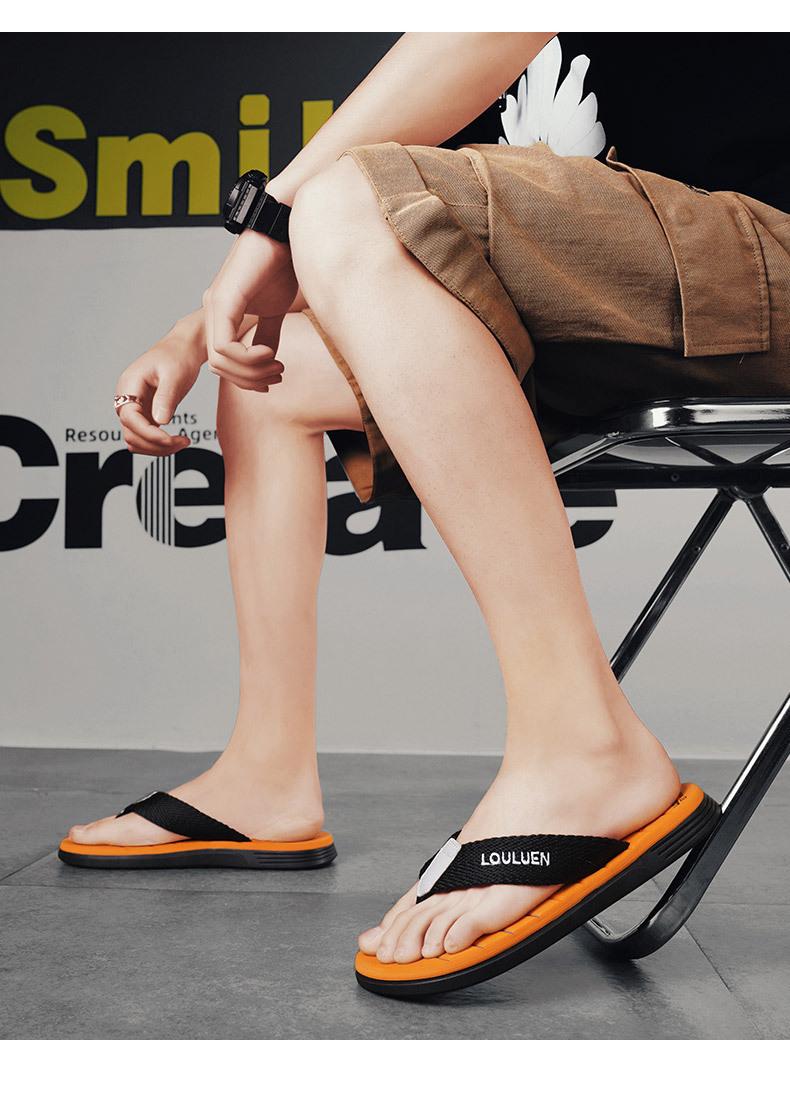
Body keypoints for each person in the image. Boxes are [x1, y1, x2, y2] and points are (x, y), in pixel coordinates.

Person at [60, 32, 790, 996]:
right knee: (268, 367)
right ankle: (265, 774)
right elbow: (423, 170)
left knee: (348, 206)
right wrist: (197, 334)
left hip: (763, 255)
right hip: (643, 297)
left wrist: (272, 221)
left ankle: (580, 744)